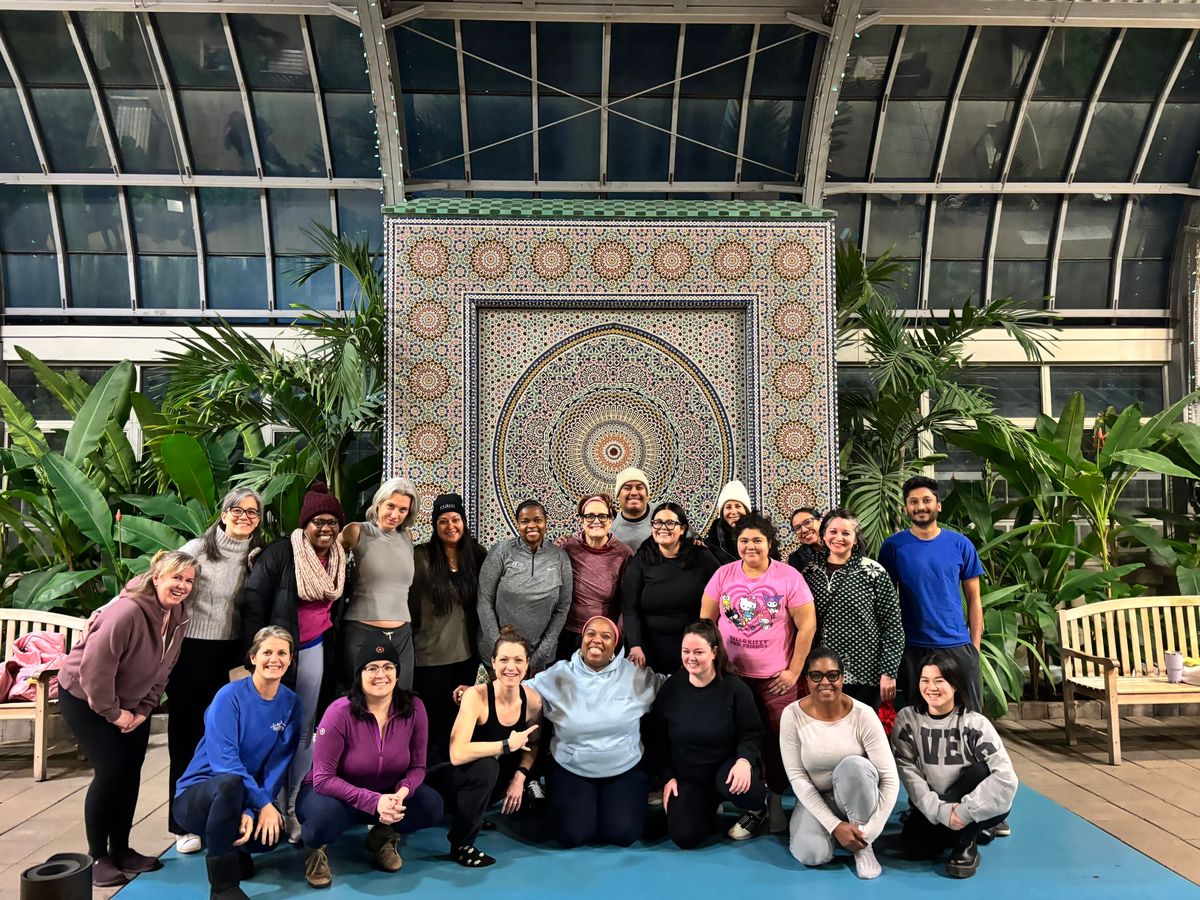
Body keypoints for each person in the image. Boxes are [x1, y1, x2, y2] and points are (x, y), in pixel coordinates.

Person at [58, 550, 196, 888]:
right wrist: (114, 713)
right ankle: (97, 856)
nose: (182, 586)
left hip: (132, 704)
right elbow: (94, 670)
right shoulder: (127, 612)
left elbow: (164, 669)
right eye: (176, 577)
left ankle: (121, 847)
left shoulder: (178, 615)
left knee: (131, 771)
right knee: (111, 771)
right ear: (157, 577)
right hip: (85, 697)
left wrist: (143, 709)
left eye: (189, 581)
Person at [239, 482, 347, 842]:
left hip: (314, 648)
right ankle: (265, 806)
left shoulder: (338, 559)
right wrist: (257, 653)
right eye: (319, 521)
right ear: (305, 524)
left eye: (333, 521)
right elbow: (253, 598)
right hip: (277, 656)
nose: (326, 528)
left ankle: (296, 807)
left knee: (303, 730)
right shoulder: (282, 553)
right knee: (272, 732)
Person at [700, 512, 816, 836]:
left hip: (776, 680)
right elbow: (707, 621)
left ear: (769, 543)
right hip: (732, 678)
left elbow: (807, 625)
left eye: (757, 540)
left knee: (778, 743)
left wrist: (794, 671)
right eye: (744, 540)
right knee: (731, 739)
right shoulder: (723, 575)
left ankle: (776, 801)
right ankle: (749, 804)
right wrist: (720, 663)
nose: (750, 546)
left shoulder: (788, 577)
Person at [298, 642, 445, 889]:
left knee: (431, 806)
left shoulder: (415, 708)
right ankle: (317, 849)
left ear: (397, 673)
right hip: (336, 796)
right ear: (359, 675)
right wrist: (374, 801)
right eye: (372, 668)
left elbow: (419, 767)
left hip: (386, 794)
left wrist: (402, 792)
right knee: (321, 823)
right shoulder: (339, 711)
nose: (381, 675)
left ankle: (381, 836)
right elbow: (323, 778)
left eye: (388, 667)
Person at [169, 487, 265, 854]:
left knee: (227, 737)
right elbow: (159, 580)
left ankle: (225, 815)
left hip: (232, 654)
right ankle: (181, 824)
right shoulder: (197, 550)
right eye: (236, 510)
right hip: (192, 650)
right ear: (223, 513)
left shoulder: (256, 557)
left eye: (252, 513)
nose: (244, 517)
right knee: (186, 735)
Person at [173, 627, 301, 900]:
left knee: (268, 838)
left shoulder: (291, 704)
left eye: (282, 653)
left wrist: (254, 810)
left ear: (290, 659)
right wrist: (260, 805)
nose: (274, 659)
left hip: (242, 794)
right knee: (229, 784)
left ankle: (234, 846)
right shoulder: (228, 697)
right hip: (198, 796)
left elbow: (276, 767)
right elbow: (225, 764)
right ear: (253, 657)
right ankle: (222, 887)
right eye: (267, 652)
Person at [528, 615, 663, 847]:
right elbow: (516, 694)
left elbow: (674, 688)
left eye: (605, 636)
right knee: (573, 836)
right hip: (572, 767)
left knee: (623, 834)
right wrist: (476, 692)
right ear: (582, 640)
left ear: (615, 646)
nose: (596, 640)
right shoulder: (559, 674)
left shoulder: (635, 675)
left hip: (624, 767)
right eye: (590, 634)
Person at [891, 650, 1018, 879]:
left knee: (980, 770)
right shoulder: (907, 719)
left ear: (956, 684)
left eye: (940, 681)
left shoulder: (975, 723)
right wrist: (939, 811)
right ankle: (973, 830)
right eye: (925, 680)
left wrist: (965, 811)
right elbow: (908, 770)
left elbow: (1006, 777)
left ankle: (967, 840)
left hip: (967, 798)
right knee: (915, 849)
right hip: (935, 801)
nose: (932, 687)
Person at [780, 646, 899, 880]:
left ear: (843, 678)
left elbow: (890, 779)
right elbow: (798, 779)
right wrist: (834, 825)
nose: (825, 682)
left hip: (857, 796)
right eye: (817, 676)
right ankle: (838, 832)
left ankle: (862, 848)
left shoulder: (864, 715)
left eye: (832, 675)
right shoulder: (791, 715)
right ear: (806, 681)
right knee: (813, 855)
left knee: (854, 766)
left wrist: (869, 834)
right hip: (816, 797)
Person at [649, 620, 766, 849]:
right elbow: (658, 739)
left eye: (698, 652)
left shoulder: (735, 689)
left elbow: (753, 733)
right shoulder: (672, 688)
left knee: (743, 787)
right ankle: (709, 806)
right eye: (686, 651)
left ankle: (757, 809)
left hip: (727, 771)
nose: (691, 657)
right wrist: (667, 778)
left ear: (714, 652)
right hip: (689, 776)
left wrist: (744, 760)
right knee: (684, 837)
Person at [878, 476, 985, 713]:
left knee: (970, 715)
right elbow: (884, 604)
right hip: (913, 647)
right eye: (913, 501)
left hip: (956, 644)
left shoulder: (961, 544)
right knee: (918, 715)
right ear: (906, 508)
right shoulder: (893, 547)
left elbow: (974, 600)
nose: (920, 506)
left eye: (926, 500)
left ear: (938, 504)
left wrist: (974, 649)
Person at [442, 626, 543, 867]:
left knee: (516, 759)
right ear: (493, 663)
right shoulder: (475, 697)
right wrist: (506, 745)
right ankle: (462, 845)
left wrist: (520, 778)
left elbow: (535, 745)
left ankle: (476, 812)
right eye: (504, 660)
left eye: (518, 660)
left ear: (527, 664)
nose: (511, 667)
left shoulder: (532, 701)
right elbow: (456, 754)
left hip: (491, 781)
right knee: (487, 765)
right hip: (451, 777)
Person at [411, 492, 487, 768]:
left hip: (466, 656)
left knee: (458, 723)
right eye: (442, 521)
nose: (450, 526)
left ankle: (452, 777)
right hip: (429, 657)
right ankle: (428, 776)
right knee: (431, 722)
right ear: (434, 525)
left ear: (464, 522)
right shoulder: (420, 557)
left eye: (455, 519)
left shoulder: (477, 557)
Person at [801, 508, 904, 710]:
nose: (839, 537)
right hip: (823, 673)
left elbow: (892, 626)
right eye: (833, 532)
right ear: (823, 535)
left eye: (846, 533)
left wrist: (889, 671)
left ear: (856, 539)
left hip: (865, 673)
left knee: (861, 733)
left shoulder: (873, 571)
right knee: (828, 729)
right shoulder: (809, 572)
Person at [340, 477, 421, 691]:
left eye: (403, 510)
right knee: (360, 703)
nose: (395, 515)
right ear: (378, 504)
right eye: (390, 506)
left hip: (402, 635)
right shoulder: (357, 531)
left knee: (402, 703)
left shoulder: (407, 537)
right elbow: (324, 562)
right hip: (361, 631)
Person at [477, 499, 573, 674]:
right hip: (500, 653)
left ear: (546, 521)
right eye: (525, 521)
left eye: (537, 520)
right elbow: (484, 601)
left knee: (535, 701)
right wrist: (500, 648)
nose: (531, 525)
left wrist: (540, 655)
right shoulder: (501, 551)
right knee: (502, 701)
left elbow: (563, 607)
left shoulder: (560, 557)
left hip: (541, 655)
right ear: (517, 524)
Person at [621, 502, 720, 672]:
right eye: (657, 522)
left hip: (692, 646)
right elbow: (630, 608)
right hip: (648, 646)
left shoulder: (700, 556)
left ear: (682, 529)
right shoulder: (642, 559)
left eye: (670, 523)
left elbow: (723, 585)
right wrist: (635, 645)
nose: (663, 528)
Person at [554, 494, 633, 661]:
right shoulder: (566, 548)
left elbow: (628, 601)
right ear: (582, 520)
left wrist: (616, 635)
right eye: (590, 516)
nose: (596, 520)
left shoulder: (624, 554)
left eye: (602, 516)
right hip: (568, 633)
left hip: (604, 637)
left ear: (611, 519)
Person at [704, 479, 752, 564]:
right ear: (722, 512)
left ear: (746, 510)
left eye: (738, 506)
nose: (733, 512)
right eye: (728, 507)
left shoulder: (763, 536)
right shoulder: (711, 543)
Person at [609, 467, 652, 549]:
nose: (634, 493)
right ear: (618, 495)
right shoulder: (612, 533)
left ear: (647, 494)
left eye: (639, 487)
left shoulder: (664, 512)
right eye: (627, 488)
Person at [786, 506, 822, 573]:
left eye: (808, 522)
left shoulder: (838, 546)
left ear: (821, 521)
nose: (804, 530)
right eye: (798, 528)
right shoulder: (796, 558)